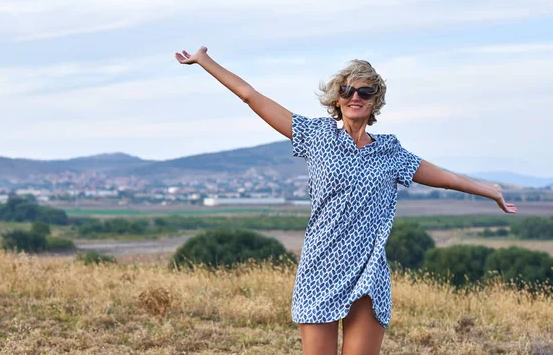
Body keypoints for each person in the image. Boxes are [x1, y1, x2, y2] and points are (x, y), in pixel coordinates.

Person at [175, 46, 517, 355]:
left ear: (374, 102)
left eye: (365, 91)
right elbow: (251, 96)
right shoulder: (316, 136)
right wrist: (205, 61)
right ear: (337, 98)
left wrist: (490, 191)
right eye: (347, 89)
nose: (356, 96)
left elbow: (445, 179)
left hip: (368, 271)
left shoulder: (390, 152)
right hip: (320, 266)